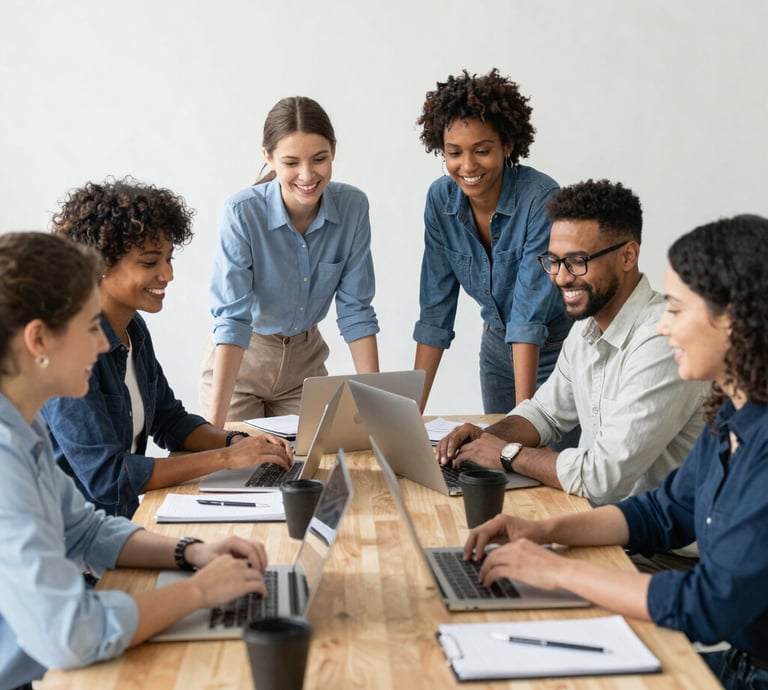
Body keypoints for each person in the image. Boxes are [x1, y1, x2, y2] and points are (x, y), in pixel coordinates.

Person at [464, 215, 768, 690]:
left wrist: (558, 571)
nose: (664, 326)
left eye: (676, 310)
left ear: (732, 319)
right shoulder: (731, 413)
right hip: (741, 662)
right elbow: (664, 512)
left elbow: (708, 605)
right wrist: (544, 530)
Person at [0, 232, 269, 690]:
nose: (102, 345)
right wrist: (199, 592)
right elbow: (70, 633)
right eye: (90, 327)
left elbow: (83, 529)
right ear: (39, 339)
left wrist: (191, 552)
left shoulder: (23, 426)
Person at [438, 180, 707, 508]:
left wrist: (507, 454)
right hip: (603, 522)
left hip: (653, 537)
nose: (561, 277)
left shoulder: (665, 340)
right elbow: (545, 413)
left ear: (628, 256)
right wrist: (486, 438)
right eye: (553, 261)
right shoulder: (585, 328)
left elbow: (603, 479)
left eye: (578, 261)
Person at [42, 178, 293, 519]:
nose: (168, 274)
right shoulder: (68, 352)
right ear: (99, 265)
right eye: (150, 263)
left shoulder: (133, 329)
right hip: (73, 541)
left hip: (120, 526)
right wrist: (227, 459)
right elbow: (109, 478)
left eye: (168, 259)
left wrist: (235, 441)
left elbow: (169, 421)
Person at [200, 96, 380, 426]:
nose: (307, 175)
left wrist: (377, 409)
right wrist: (215, 429)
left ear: (333, 151)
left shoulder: (353, 207)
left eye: (319, 159)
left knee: (314, 458)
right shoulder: (242, 213)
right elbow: (232, 321)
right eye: (291, 162)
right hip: (242, 367)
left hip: (304, 369)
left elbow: (356, 310)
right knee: (236, 457)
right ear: (268, 158)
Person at [413, 68, 572, 414]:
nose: (467, 165)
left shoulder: (541, 199)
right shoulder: (440, 201)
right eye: (454, 153)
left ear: (507, 146)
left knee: (534, 447)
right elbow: (435, 312)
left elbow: (528, 316)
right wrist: (410, 414)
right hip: (498, 352)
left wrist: (524, 423)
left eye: (482, 150)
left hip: (557, 354)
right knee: (496, 447)